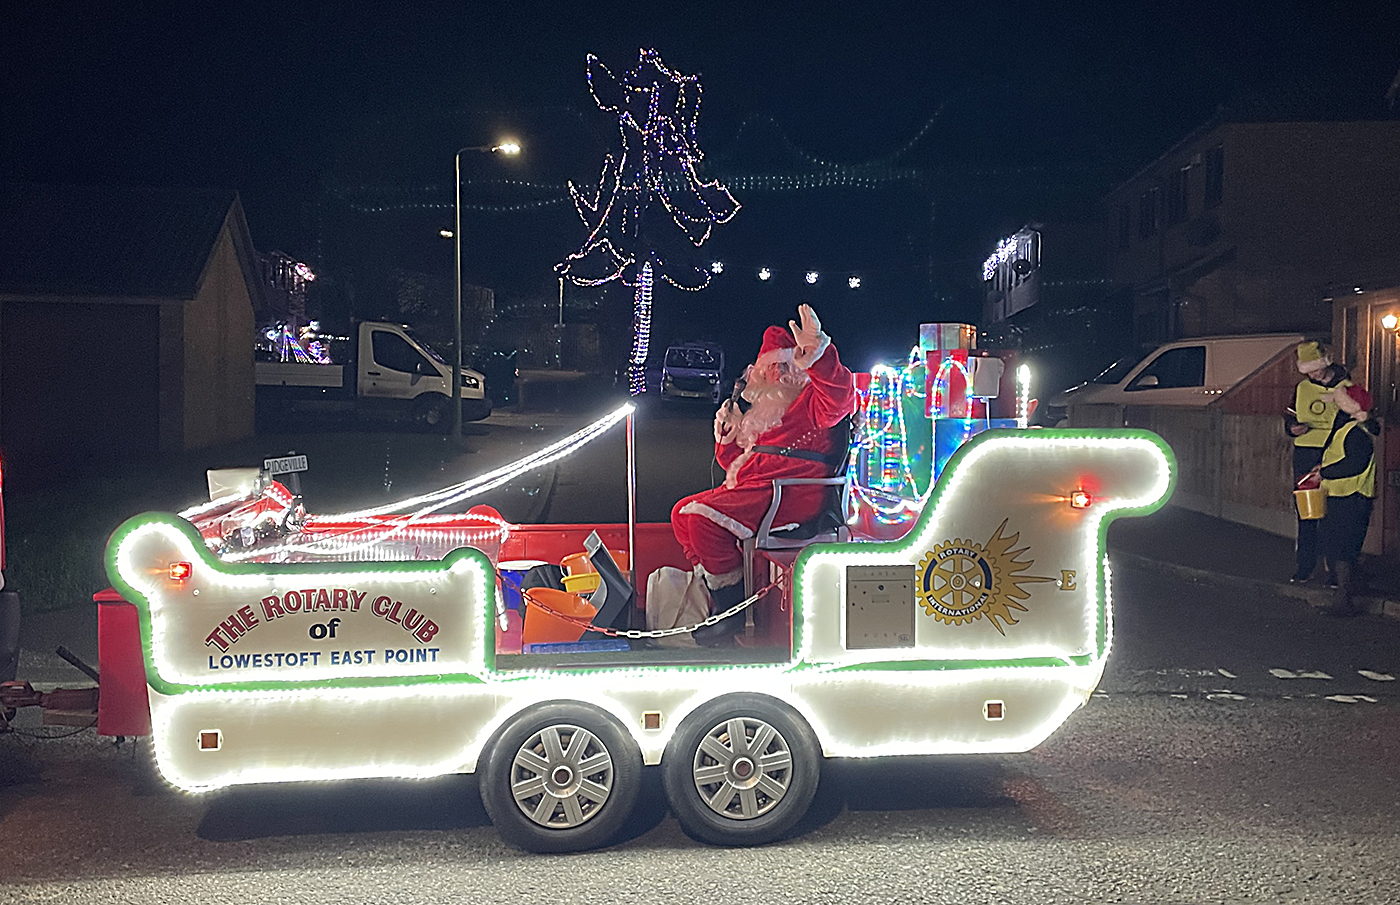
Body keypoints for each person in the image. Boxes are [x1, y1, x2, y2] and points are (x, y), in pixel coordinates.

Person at [671, 304, 856, 646]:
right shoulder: (764, 413)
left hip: (793, 494)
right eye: (771, 369)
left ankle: (733, 611)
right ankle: (724, 594)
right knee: (682, 513)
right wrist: (727, 434)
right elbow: (737, 464)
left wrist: (819, 355)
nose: (777, 376)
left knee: (702, 521)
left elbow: (841, 395)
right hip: (760, 489)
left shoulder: (811, 401)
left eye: (785, 368)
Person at [1306, 385, 1378, 617]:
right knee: (1341, 548)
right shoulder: (1351, 429)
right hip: (1343, 496)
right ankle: (1351, 592)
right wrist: (1324, 469)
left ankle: (1344, 601)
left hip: (1351, 497)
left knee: (1343, 550)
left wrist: (1324, 473)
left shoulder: (1355, 432)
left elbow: (1353, 465)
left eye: (1340, 401)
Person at [1284, 341, 1350, 583]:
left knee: (1333, 517)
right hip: (1305, 455)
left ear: (1324, 363)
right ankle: (1305, 568)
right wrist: (1292, 428)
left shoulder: (1346, 386)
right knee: (1307, 513)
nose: (1312, 375)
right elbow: (1289, 416)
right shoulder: (1301, 388)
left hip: (1335, 455)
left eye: (1315, 370)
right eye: (1308, 372)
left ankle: (1335, 572)